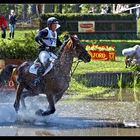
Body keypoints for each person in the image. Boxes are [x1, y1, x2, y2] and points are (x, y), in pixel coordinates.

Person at [32, 17, 63, 86]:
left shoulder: (55, 32)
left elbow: (58, 43)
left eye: (56, 24)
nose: (56, 26)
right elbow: (37, 38)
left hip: (51, 53)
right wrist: (44, 45)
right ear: (49, 25)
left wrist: (65, 46)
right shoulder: (45, 31)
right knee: (45, 63)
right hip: (43, 52)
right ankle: (37, 80)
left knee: (59, 63)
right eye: (54, 24)